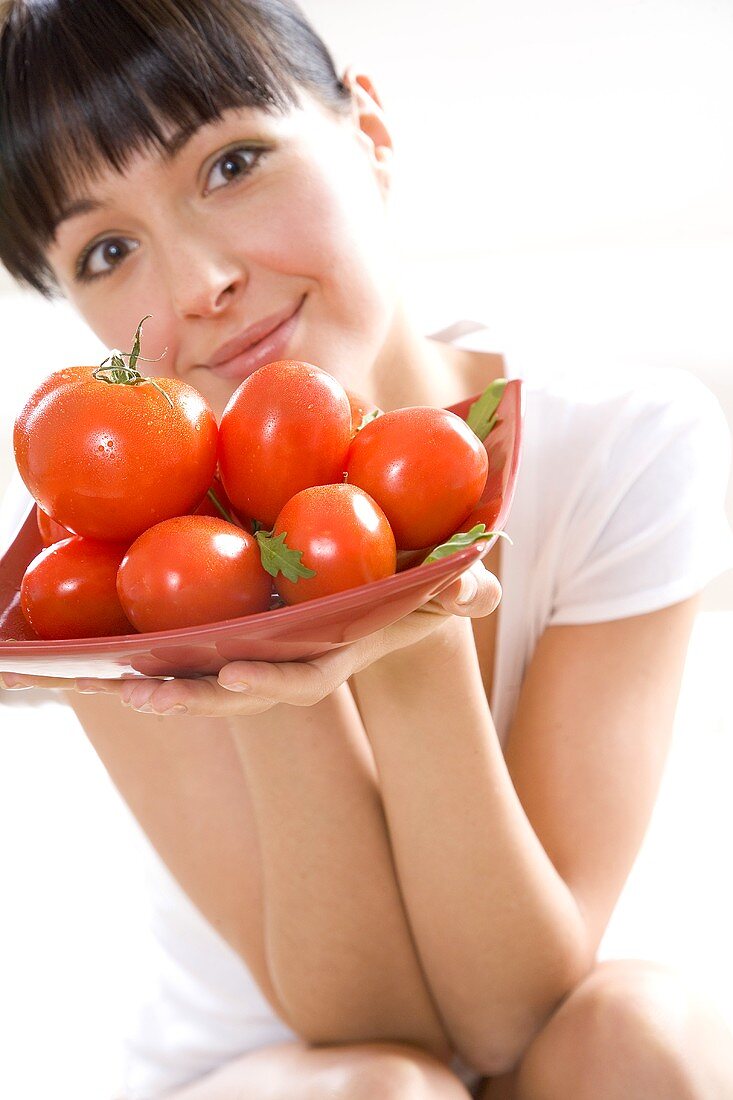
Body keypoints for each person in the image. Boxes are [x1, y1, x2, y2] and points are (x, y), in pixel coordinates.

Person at [2, 2, 733, 1098]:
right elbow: (371, 1029)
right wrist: (288, 666)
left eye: (232, 161)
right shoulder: (111, 565)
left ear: (369, 134)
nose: (202, 282)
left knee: (640, 1028)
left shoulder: (625, 446)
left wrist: (414, 635)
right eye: (108, 249)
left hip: (537, 1031)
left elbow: (511, 1018)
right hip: (262, 1072)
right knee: (378, 1090)